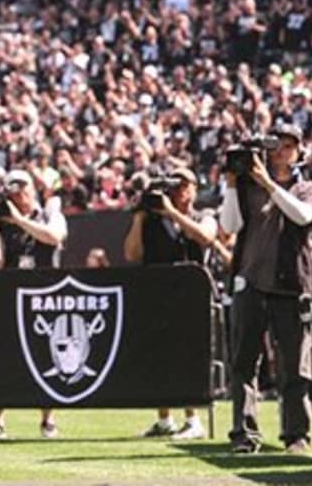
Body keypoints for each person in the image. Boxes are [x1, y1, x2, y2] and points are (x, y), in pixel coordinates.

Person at [219, 124, 312, 454]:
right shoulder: (249, 187)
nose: (281, 151)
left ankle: (296, 435)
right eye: (276, 145)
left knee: (293, 365)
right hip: (250, 282)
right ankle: (244, 433)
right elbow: (229, 226)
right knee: (244, 363)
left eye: (288, 146)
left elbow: (303, 216)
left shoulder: (307, 188)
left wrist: (267, 182)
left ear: (299, 152)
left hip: (291, 285)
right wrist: (233, 185)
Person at [123, 168, 216, 440]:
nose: (177, 191)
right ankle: (164, 420)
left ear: (194, 189)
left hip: (190, 298)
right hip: (156, 294)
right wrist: (140, 216)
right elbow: (131, 253)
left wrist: (173, 214)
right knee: (158, 357)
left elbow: (206, 237)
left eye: (183, 185)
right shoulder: (152, 221)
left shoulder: (203, 216)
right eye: (173, 186)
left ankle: (193, 420)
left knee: (186, 357)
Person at [0, 168, 68, 440]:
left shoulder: (49, 213)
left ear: (33, 189)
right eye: (14, 192)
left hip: (46, 295)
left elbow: (54, 237)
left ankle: (48, 420)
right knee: (2, 358)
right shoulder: (4, 224)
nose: (19, 196)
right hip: (11, 295)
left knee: (46, 355)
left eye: (23, 190)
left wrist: (19, 219)